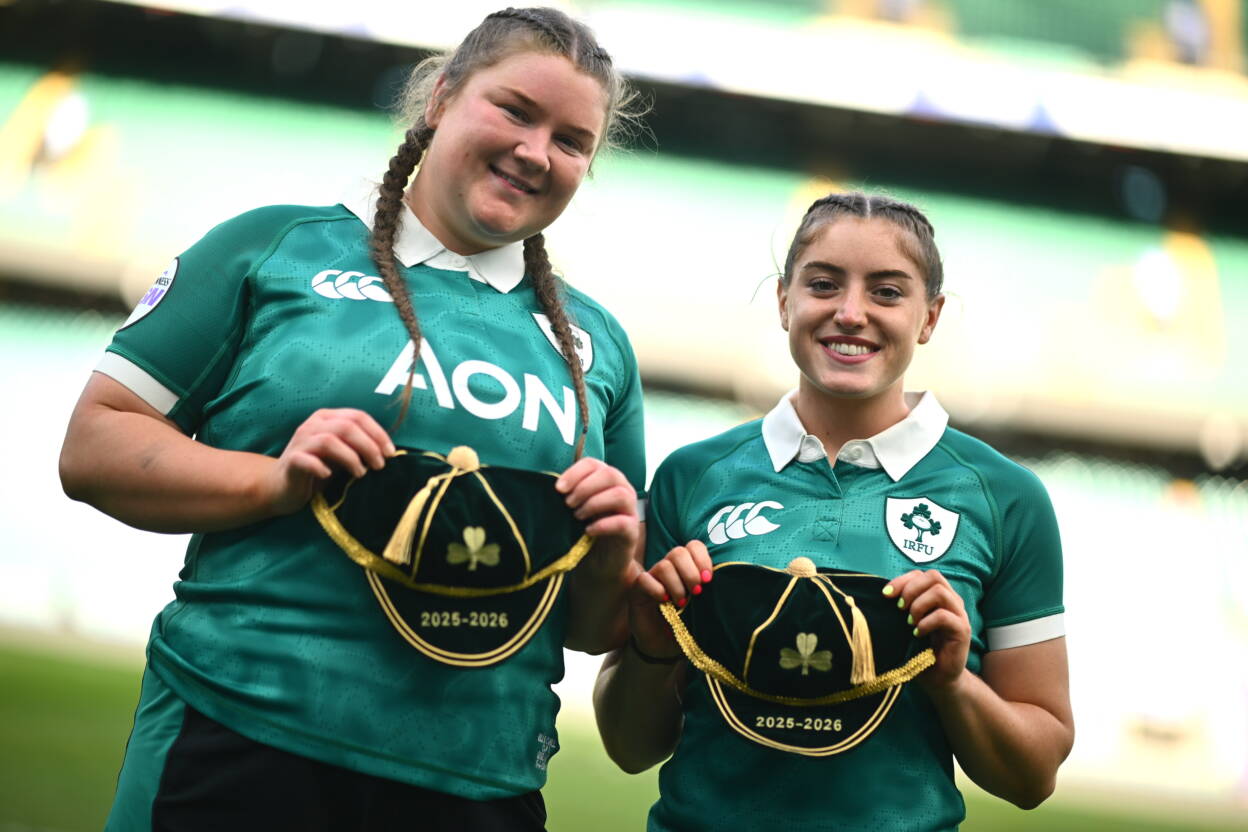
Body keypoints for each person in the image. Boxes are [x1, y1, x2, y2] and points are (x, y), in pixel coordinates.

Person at [58, 8, 645, 830]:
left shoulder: (601, 346)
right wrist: (273, 479)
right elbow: (94, 444)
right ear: (440, 98)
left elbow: (592, 629)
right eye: (513, 110)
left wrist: (614, 548)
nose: (535, 151)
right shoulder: (274, 247)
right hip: (238, 741)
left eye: (572, 140)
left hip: (480, 783)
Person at [594, 192, 1074, 831]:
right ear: (784, 301)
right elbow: (629, 748)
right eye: (823, 285)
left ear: (928, 318)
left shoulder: (1006, 498)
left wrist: (954, 681)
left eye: (887, 292)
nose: (851, 314)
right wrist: (654, 650)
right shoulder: (691, 476)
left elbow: (1032, 777)